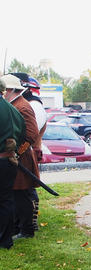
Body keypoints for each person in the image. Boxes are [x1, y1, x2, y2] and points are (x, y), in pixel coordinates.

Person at [0, 74, 40, 240]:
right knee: (14, 195)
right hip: (14, 156)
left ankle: (26, 229)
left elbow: (31, 134)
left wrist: (16, 152)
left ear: (10, 90)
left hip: (20, 157)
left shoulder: (22, 106)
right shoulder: (15, 104)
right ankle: (17, 227)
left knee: (21, 196)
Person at [10, 73, 47, 234]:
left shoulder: (27, 106)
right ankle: (20, 225)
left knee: (25, 192)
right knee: (19, 193)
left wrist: (17, 152)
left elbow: (31, 134)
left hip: (24, 155)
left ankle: (28, 226)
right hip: (20, 155)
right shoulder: (19, 104)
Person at [0, 79, 25, 249]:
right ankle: (5, 240)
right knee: (6, 200)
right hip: (8, 161)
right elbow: (22, 135)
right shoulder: (14, 111)